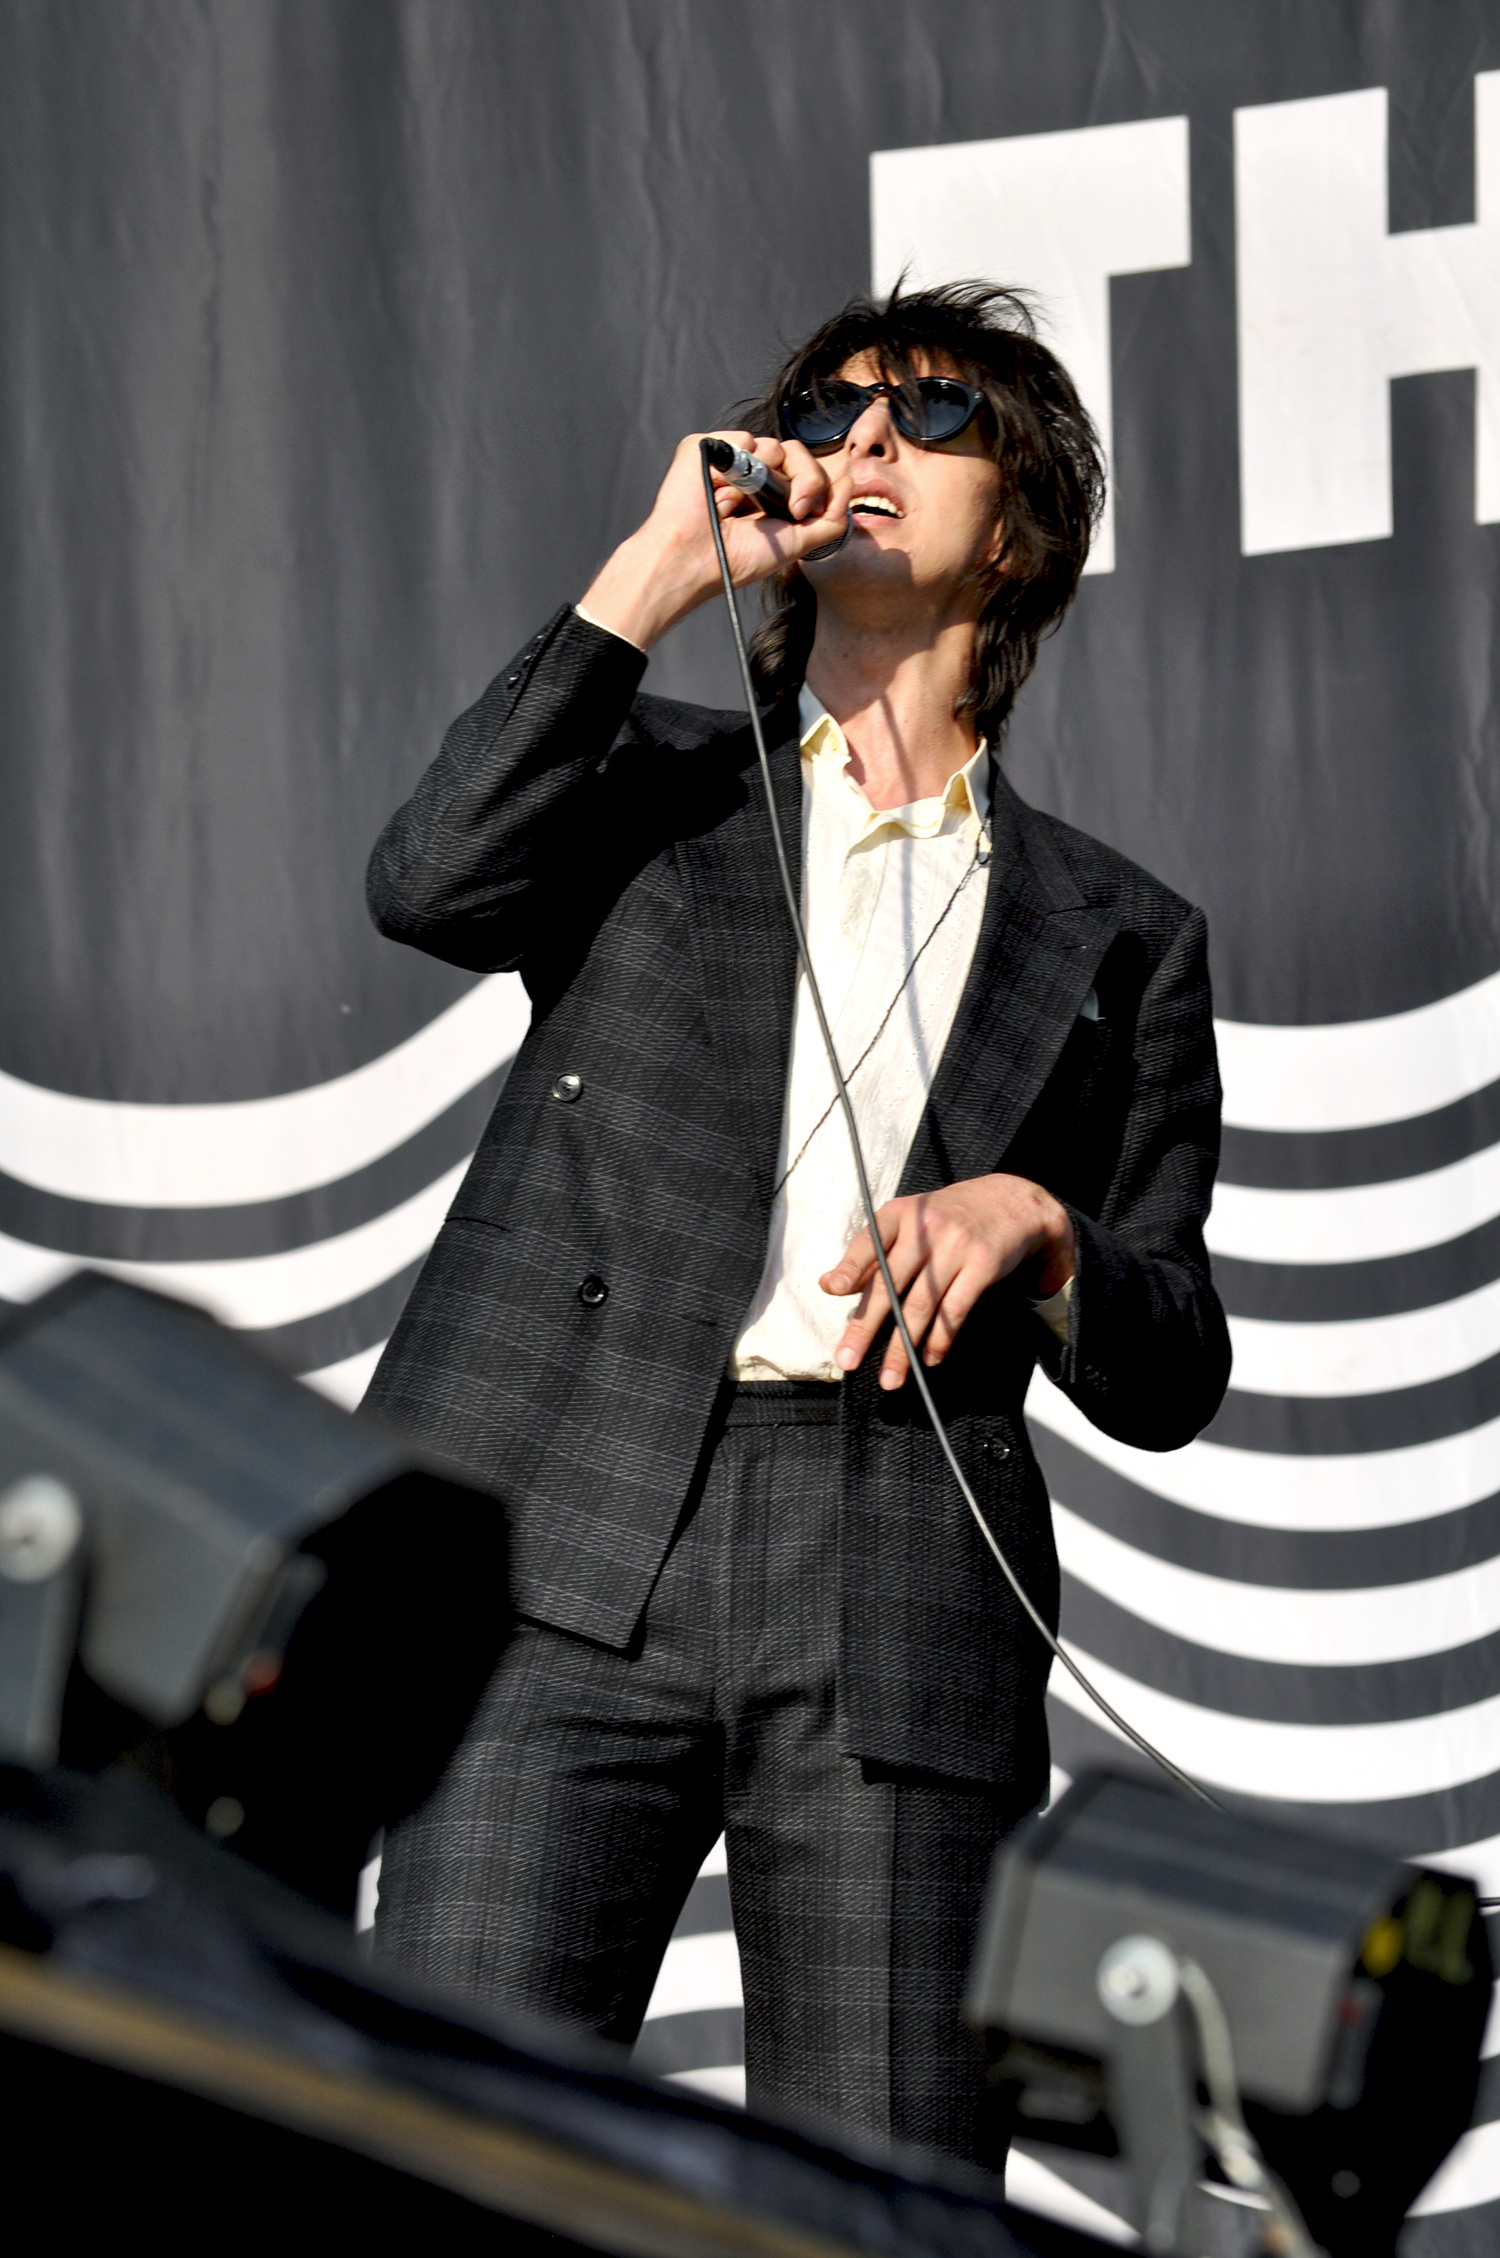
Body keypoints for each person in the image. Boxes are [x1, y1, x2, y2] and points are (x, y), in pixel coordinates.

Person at [362, 282, 1230, 2168]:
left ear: (1023, 532)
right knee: (453, 2140)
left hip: (893, 1553)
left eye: (930, 413)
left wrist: (1045, 1230)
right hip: (563, 1517)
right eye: (830, 410)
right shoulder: (654, 787)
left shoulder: (1121, 934)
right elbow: (427, 882)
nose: (865, 439)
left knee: (884, 2184)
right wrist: (661, 569)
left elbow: (1176, 1360)